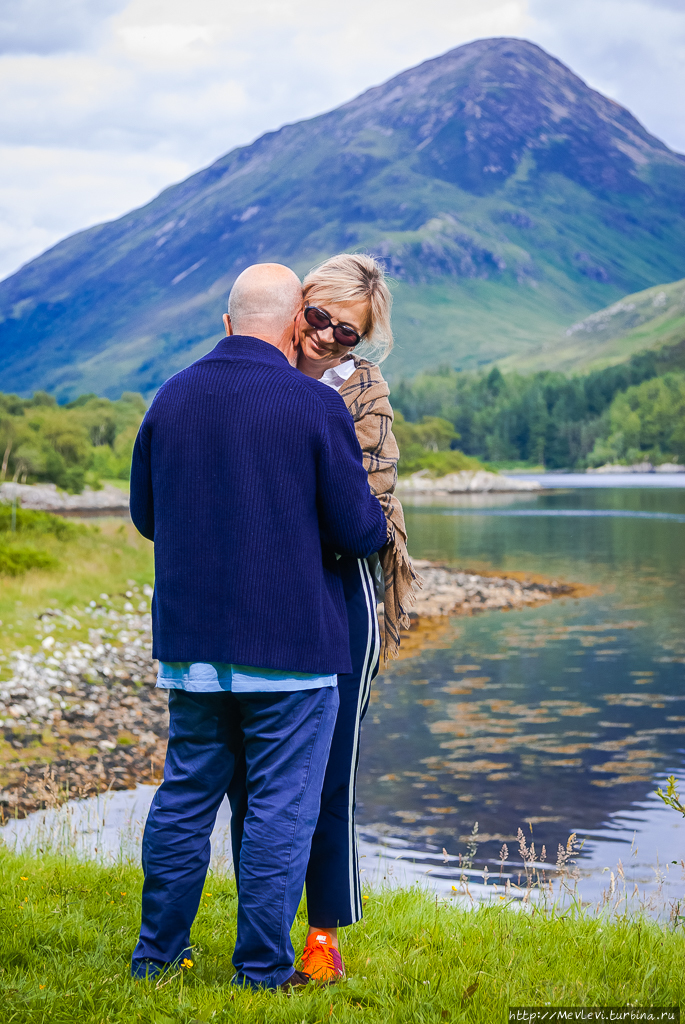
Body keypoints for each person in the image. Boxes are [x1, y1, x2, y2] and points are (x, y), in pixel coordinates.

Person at [128, 262, 387, 990]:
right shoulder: (313, 408)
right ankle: (263, 970)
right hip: (292, 654)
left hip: (191, 649)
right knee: (280, 808)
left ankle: (157, 958)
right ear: (289, 322)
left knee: (183, 798)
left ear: (227, 321)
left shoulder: (168, 398)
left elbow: (148, 518)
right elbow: (360, 531)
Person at [295, 253, 420, 982]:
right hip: (269, 596)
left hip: (344, 592)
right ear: (300, 302)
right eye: (320, 318)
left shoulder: (364, 388)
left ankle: (321, 934)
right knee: (262, 773)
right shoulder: (257, 370)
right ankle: (257, 921)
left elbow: (371, 506)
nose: (328, 338)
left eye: (348, 332)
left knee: (332, 772)